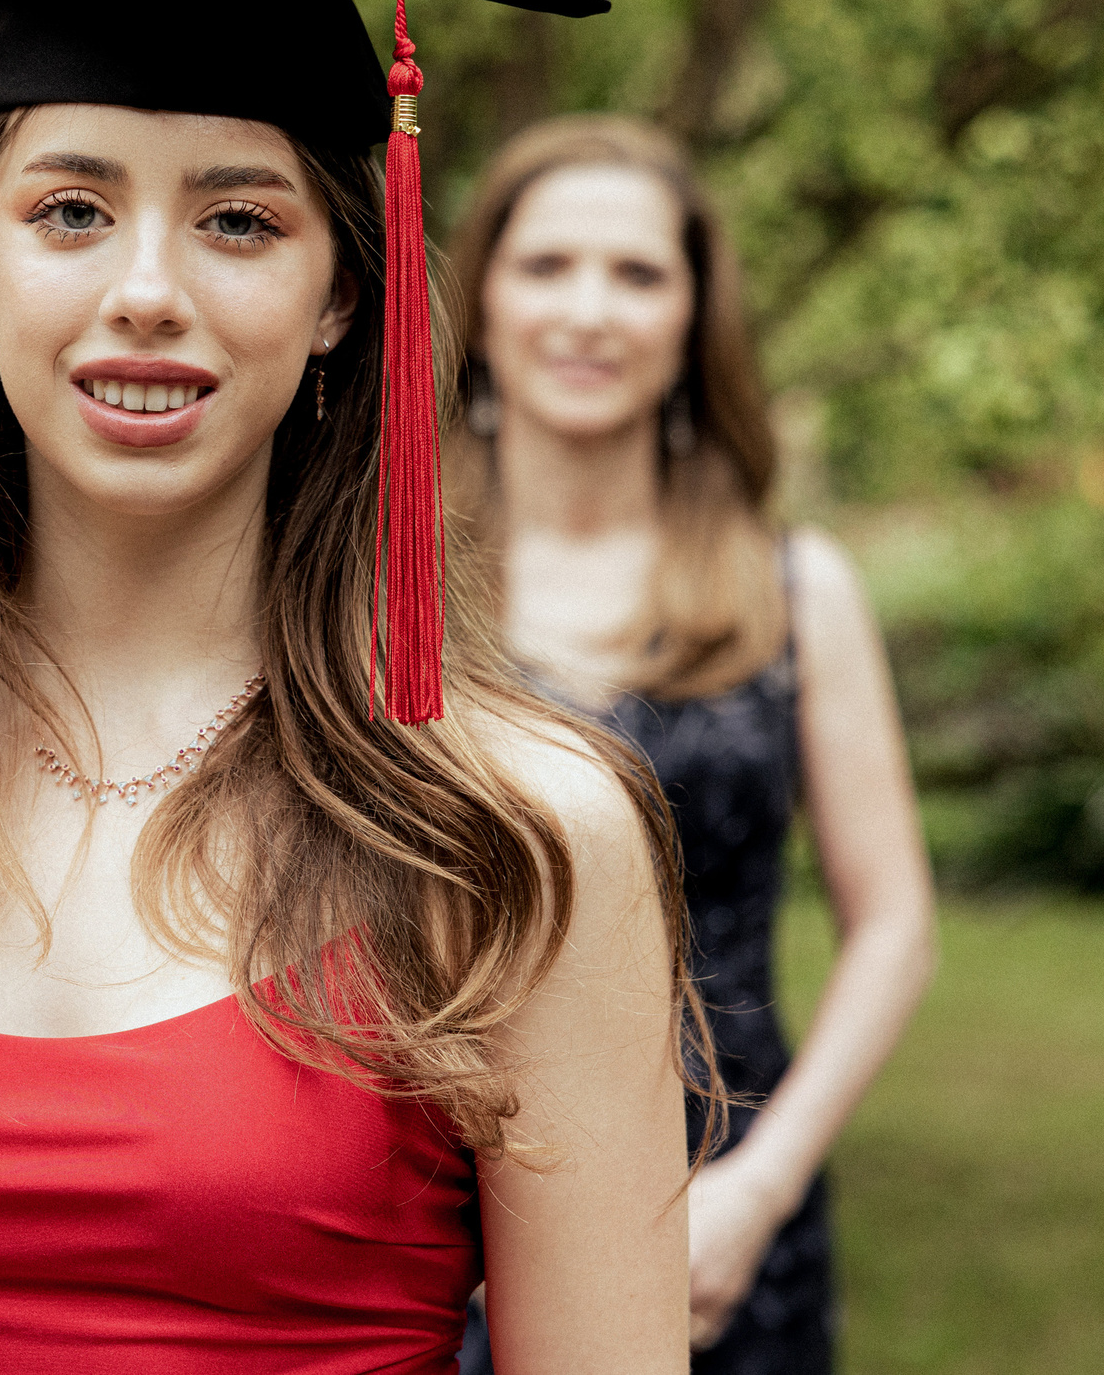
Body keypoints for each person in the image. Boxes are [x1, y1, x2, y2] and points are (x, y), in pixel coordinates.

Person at [0, 0, 709, 1375]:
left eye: (238, 220)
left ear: (339, 299)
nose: (147, 288)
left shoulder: (506, 831)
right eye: (73, 209)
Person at [442, 116, 937, 1374]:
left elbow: (893, 927)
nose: (589, 311)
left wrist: (760, 1192)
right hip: (437, 1208)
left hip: (722, 1208)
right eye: (547, 266)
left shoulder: (792, 588)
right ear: (482, 298)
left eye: (638, 274)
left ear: (692, 319)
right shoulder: (388, 585)